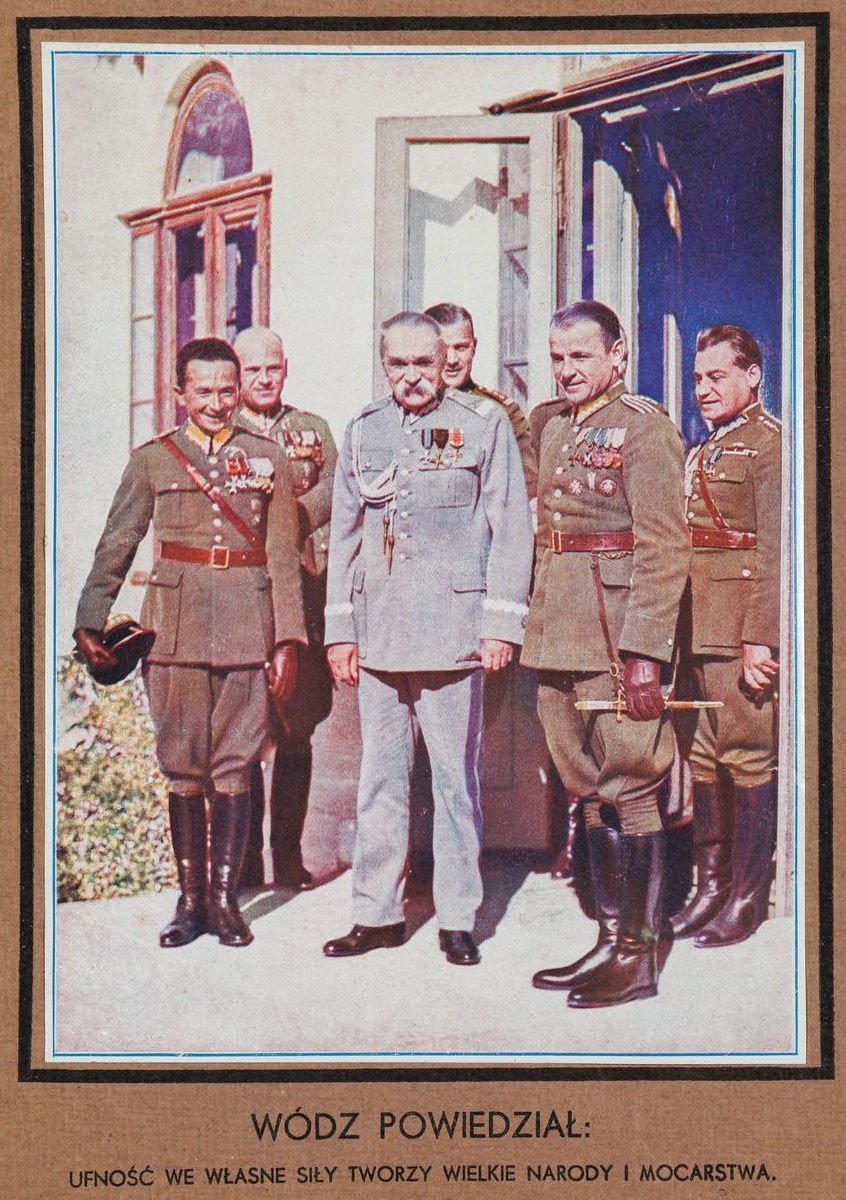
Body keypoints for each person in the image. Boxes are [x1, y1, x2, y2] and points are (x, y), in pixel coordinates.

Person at [74, 338, 306, 947]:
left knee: (235, 763)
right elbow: (118, 541)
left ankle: (226, 903)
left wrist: (288, 639)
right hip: (173, 629)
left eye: (228, 390)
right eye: (204, 391)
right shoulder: (153, 460)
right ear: (181, 393)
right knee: (182, 765)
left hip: (246, 624)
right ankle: (190, 902)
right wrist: (89, 619)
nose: (217, 402)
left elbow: (283, 555)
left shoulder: (268, 457)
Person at [321, 311, 533, 966]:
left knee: (454, 784)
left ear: (445, 362)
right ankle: (375, 913)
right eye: (398, 363)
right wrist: (339, 632)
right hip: (380, 633)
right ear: (383, 364)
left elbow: (510, 528)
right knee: (379, 781)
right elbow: (344, 537)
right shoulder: (364, 430)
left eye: (423, 363)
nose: (411, 376)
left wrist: (500, 624)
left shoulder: (483, 424)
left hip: (453, 634)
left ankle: (458, 918)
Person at [522, 300, 690, 1007]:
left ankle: (638, 955)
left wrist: (645, 652)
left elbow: (664, 546)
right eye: (558, 358)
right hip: (559, 627)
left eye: (581, 356)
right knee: (586, 783)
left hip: (615, 632)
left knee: (631, 781)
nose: (566, 370)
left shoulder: (644, 428)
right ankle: (609, 937)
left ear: (618, 355)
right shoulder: (553, 425)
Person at [670, 325, 780, 947]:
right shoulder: (704, 447)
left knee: (746, 757)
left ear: (752, 375)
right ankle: (709, 888)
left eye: (716, 376)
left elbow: (774, 550)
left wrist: (759, 636)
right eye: (698, 378)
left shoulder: (770, 445)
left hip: (737, 630)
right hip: (696, 627)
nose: (703, 389)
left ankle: (746, 896)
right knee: (703, 759)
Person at [232, 326, 338, 890]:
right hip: (247, 597)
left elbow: (339, 485)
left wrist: (294, 516)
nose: (264, 378)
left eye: (272, 368)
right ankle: (246, 860)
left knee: (299, 729)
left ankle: (288, 855)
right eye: (253, 370)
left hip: (304, 592)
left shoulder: (312, 430)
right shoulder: (224, 435)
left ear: (285, 368)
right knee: (245, 733)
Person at [424, 301, 537, 498]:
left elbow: (525, 488)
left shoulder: (503, 412)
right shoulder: (407, 411)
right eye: (442, 349)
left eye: (461, 348)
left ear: (474, 347)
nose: (452, 360)